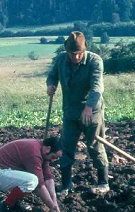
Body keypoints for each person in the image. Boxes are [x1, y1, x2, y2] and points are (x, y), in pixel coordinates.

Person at [46, 31, 109, 195]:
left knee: (95, 145)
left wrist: (88, 107)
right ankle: (66, 186)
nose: (76, 57)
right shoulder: (61, 59)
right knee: (66, 147)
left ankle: (103, 182)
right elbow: (52, 76)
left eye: (79, 53)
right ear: (66, 51)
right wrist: (51, 85)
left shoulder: (95, 61)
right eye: (72, 54)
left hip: (92, 111)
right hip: (70, 112)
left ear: (85, 49)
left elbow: (97, 88)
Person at [0, 137, 62, 212]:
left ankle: (13, 203)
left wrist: (54, 202)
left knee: (31, 179)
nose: (53, 160)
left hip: (1, 172)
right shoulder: (34, 153)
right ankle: (5, 206)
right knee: (32, 181)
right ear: (48, 149)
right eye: (53, 157)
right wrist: (51, 206)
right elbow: (40, 185)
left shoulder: (41, 150)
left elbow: (48, 177)